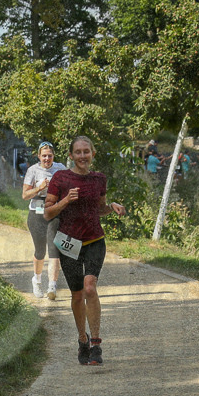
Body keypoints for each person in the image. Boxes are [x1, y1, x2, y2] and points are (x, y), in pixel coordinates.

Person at [43, 136, 126, 365]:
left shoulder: (99, 179)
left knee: (90, 288)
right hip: (68, 242)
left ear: (93, 153)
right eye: (78, 152)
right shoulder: (61, 178)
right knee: (77, 294)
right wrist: (65, 201)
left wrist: (112, 208)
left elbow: (98, 210)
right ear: (70, 155)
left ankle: (96, 344)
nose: (82, 156)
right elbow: (48, 213)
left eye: (86, 151)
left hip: (94, 240)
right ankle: (82, 339)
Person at [22, 141, 67, 300]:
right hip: (37, 211)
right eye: (44, 156)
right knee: (40, 251)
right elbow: (25, 195)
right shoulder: (33, 170)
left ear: (53, 156)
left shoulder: (60, 168)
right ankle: (37, 280)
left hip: (54, 211)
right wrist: (39, 188)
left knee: (55, 248)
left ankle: (52, 287)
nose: (47, 158)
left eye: (49, 155)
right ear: (39, 156)